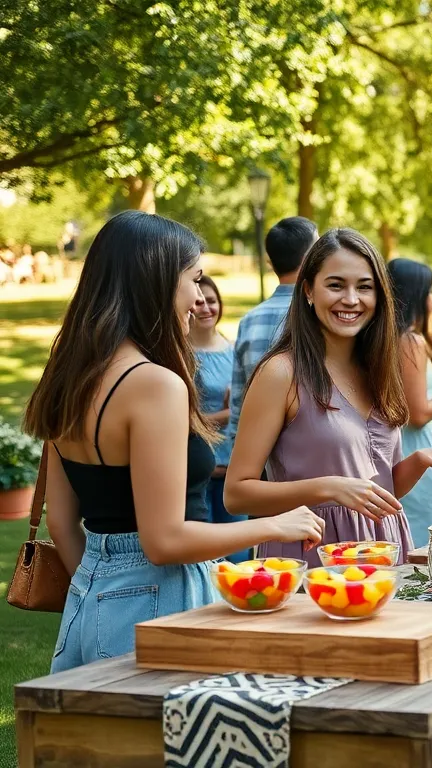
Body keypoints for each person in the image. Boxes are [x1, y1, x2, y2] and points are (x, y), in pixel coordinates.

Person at [24, 211, 323, 672]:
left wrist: (103, 586)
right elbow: (163, 540)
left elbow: (62, 523)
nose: (199, 296)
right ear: (156, 281)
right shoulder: (155, 385)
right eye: (194, 278)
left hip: (86, 600)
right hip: (159, 597)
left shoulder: (68, 374)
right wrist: (275, 525)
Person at [226, 229, 432, 565]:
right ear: (309, 290)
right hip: (313, 561)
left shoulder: (379, 370)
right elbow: (237, 494)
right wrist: (329, 487)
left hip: (383, 555)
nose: (351, 299)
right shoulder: (281, 373)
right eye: (336, 285)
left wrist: (418, 461)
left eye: (364, 287)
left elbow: (375, 492)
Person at [221, 217, 318, 478]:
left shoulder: (249, 320)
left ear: (270, 262)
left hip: (257, 461)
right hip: (311, 459)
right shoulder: (319, 314)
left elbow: (240, 395)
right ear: (310, 256)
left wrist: (237, 455)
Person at [389, 259, 432, 547]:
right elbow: (418, 413)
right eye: (430, 292)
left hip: (402, 447)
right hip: (420, 446)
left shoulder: (390, 338)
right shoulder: (410, 341)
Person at [188, 275, 248, 563]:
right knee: (206, 561)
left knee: (239, 557)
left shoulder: (234, 348)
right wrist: (229, 413)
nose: (205, 308)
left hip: (234, 469)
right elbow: (184, 421)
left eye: (211, 301)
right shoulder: (183, 356)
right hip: (200, 472)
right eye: (198, 302)